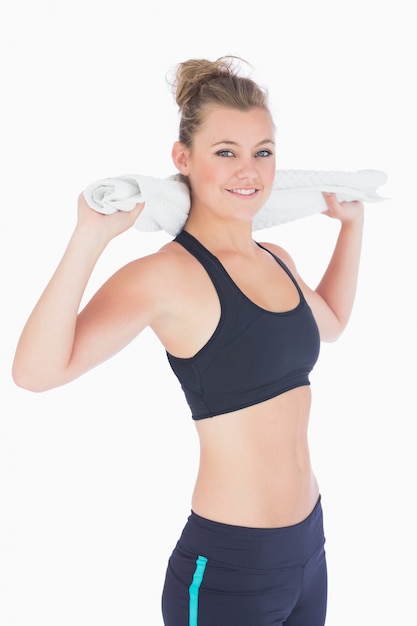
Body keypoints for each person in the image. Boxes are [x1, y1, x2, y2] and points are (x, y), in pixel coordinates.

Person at [12, 55, 364, 626]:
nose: (249, 171)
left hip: (308, 551)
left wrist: (352, 227)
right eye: (226, 152)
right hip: (230, 568)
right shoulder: (166, 276)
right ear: (183, 159)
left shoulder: (277, 258)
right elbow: (35, 372)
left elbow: (332, 324)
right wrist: (90, 237)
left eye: (263, 152)